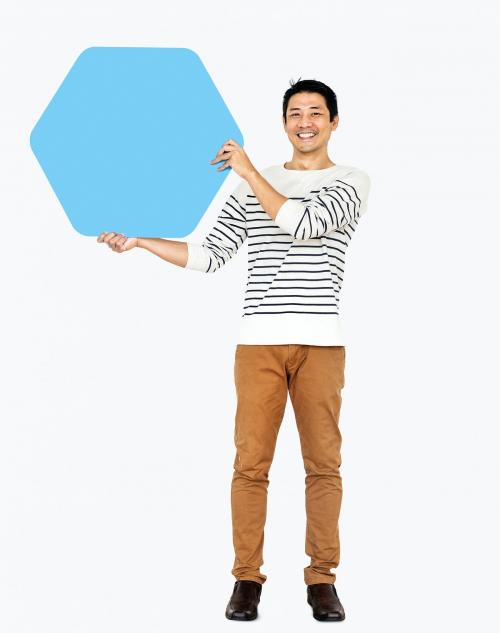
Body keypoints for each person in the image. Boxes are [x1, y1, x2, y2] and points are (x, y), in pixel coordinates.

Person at [97, 78, 371, 622]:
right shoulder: (256, 180)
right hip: (258, 344)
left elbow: (304, 224)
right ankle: (247, 579)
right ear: (285, 122)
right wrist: (140, 241)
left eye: (316, 112)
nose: (305, 121)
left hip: (322, 345)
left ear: (334, 121)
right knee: (250, 465)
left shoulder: (350, 181)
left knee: (323, 465)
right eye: (295, 113)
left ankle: (322, 579)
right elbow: (208, 255)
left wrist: (247, 173)